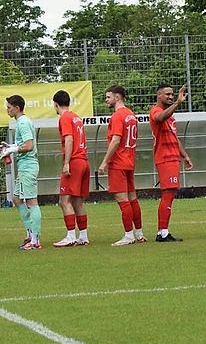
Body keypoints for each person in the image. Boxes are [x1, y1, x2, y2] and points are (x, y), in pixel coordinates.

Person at [97, 85, 144, 246]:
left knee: (122, 198)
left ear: (117, 97)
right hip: (130, 160)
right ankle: (139, 233)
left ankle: (128, 236)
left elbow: (116, 140)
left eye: (108, 97)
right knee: (132, 198)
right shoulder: (131, 114)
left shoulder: (118, 116)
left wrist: (104, 162)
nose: (106, 100)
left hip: (118, 162)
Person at [149, 84, 193, 242]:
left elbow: (174, 137)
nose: (171, 96)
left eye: (172, 94)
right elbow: (159, 118)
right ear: (158, 95)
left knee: (170, 193)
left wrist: (185, 155)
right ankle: (163, 233)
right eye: (167, 94)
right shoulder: (156, 111)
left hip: (173, 157)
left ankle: (163, 232)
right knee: (168, 193)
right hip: (165, 158)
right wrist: (178, 103)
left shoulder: (171, 116)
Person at [0, 94, 41, 250]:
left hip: (28, 166)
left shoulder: (22, 123)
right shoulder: (22, 122)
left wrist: (13, 149)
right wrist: (9, 146)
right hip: (24, 166)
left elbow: (28, 145)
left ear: (16, 108)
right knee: (16, 199)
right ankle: (30, 234)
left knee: (31, 201)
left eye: (9, 107)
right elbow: (24, 143)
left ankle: (35, 240)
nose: (7, 110)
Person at [52, 89, 91, 247]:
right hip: (84, 160)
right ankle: (83, 236)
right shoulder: (76, 117)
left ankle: (70, 236)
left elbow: (69, 139)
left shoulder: (65, 118)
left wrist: (66, 162)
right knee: (77, 202)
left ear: (55, 104)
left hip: (74, 161)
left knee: (64, 200)